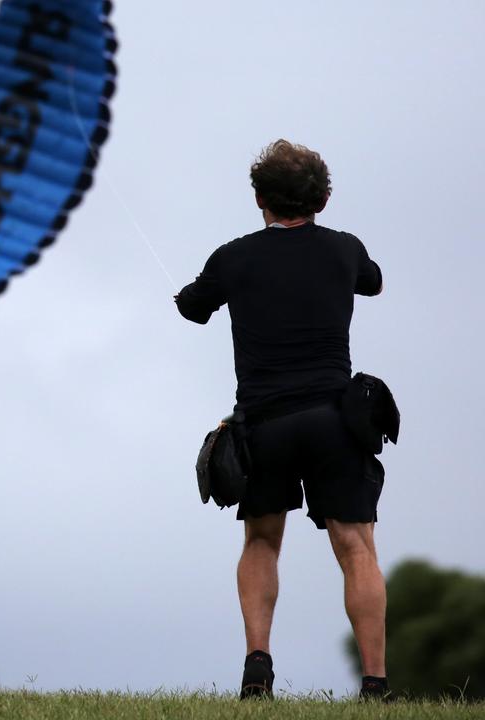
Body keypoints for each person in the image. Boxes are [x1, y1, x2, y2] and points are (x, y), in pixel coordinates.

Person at [174, 139, 389, 701]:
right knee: (356, 546)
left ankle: (256, 671)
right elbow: (373, 280)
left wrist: (192, 294)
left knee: (262, 541)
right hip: (334, 421)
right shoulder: (345, 250)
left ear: (259, 198)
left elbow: (192, 307)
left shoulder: (234, 257)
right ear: (322, 196)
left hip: (264, 425)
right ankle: (375, 684)